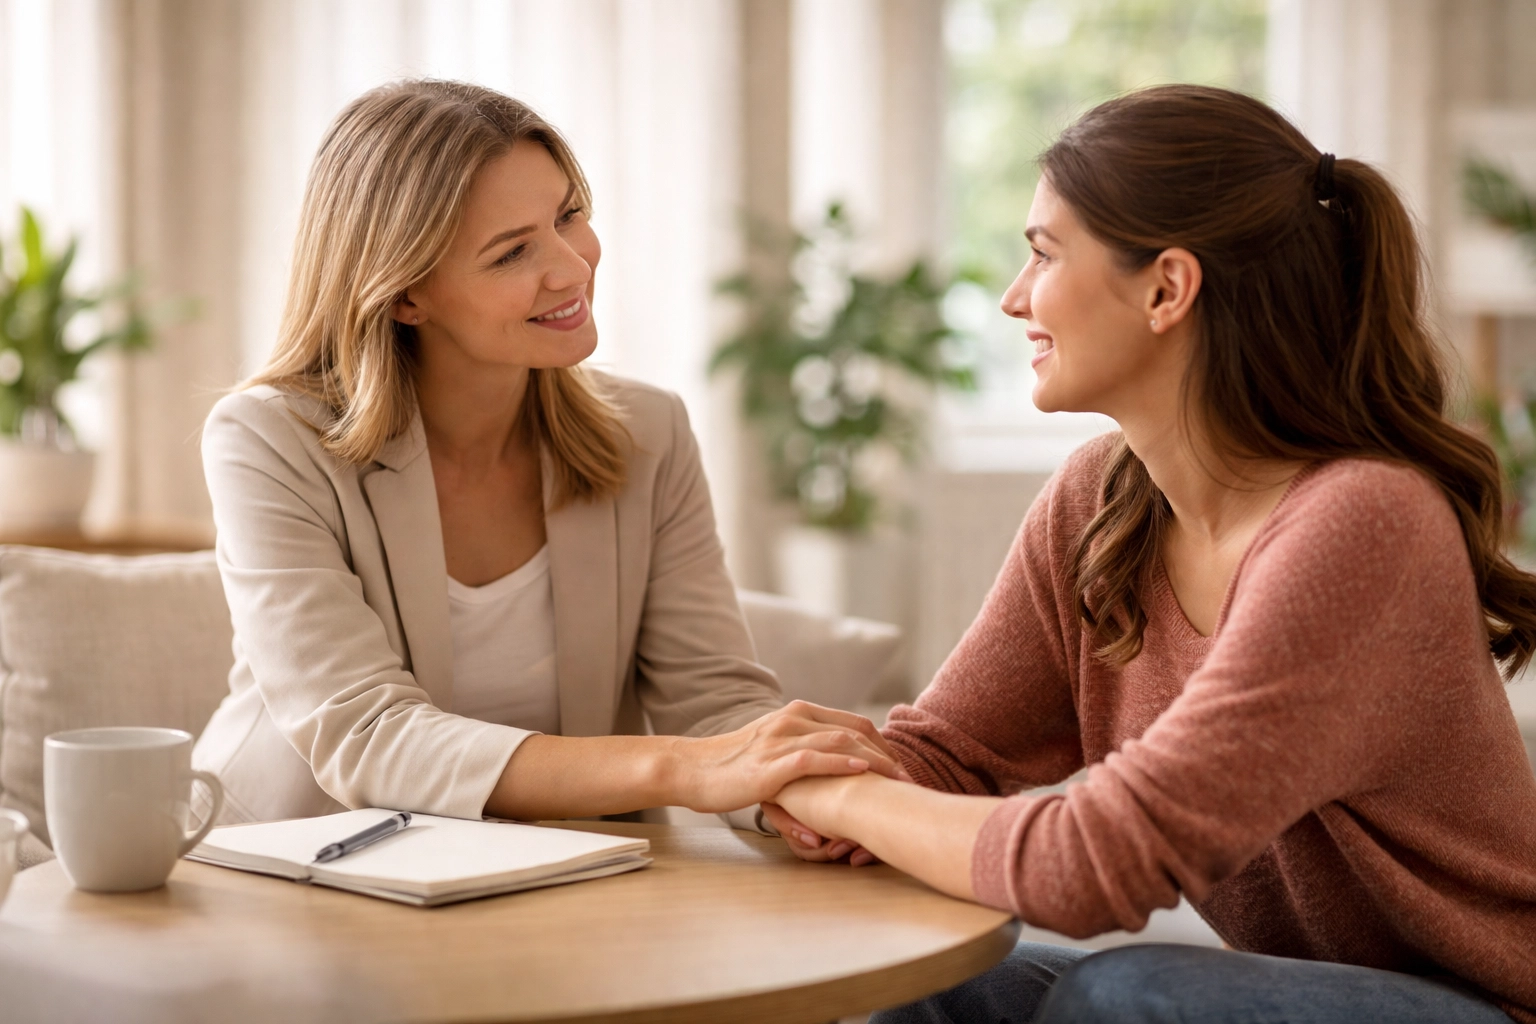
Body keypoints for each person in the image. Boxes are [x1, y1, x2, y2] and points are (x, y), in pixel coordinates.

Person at [764, 85, 1536, 1023]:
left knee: (1124, 993)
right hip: (1308, 995)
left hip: (1492, 1004)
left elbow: (1091, 868)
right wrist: (787, 774)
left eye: (1043, 255)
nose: (1012, 299)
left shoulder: (1366, 522)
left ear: (1167, 288)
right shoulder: (1102, 501)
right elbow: (946, 753)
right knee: (943, 981)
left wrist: (840, 800)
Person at [191, 79, 905, 829]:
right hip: (291, 866)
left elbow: (715, 704)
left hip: (548, 875)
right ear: (405, 296)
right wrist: (678, 769)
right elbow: (366, 733)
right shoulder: (268, 440)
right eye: (511, 253)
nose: (572, 268)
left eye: (569, 215)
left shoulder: (648, 433)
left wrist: (800, 800)